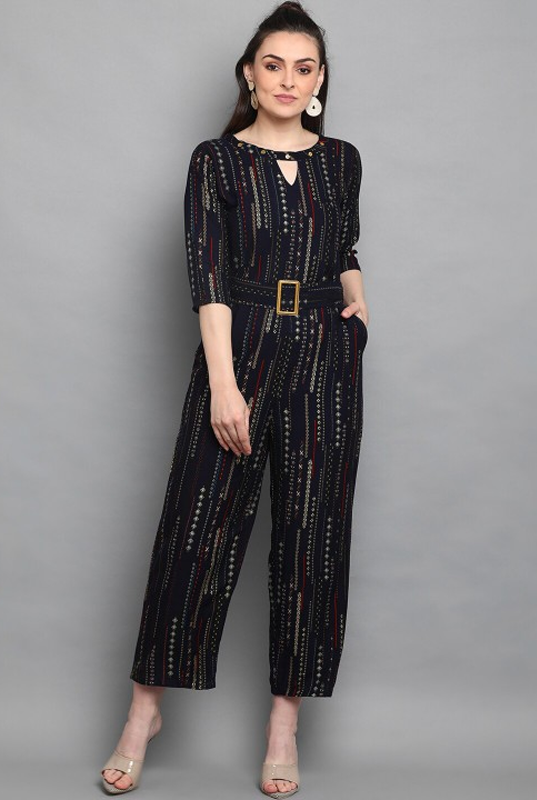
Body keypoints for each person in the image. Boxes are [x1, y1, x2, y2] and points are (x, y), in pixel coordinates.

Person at [101, 2, 368, 796]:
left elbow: (344, 244)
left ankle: (284, 727)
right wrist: (224, 383)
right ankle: (143, 713)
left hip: (326, 354)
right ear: (250, 75)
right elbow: (207, 271)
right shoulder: (216, 161)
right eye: (274, 65)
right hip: (240, 343)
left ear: (320, 82)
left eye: (304, 68)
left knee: (313, 538)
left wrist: (359, 303)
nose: (289, 80)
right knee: (195, 530)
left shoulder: (342, 160)